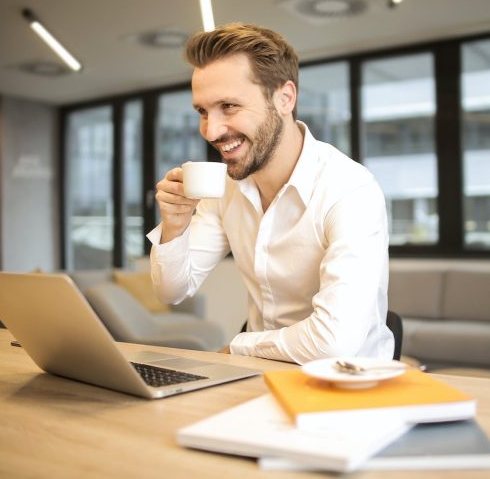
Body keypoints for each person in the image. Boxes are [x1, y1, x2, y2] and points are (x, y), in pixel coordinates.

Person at [147, 22, 392, 364]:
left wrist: (239, 346)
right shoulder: (227, 189)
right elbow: (171, 291)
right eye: (203, 112)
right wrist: (175, 225)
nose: (212, 131)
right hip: (260, 378)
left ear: (285, 98)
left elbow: (334, 342)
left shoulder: (350, 189)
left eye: (229, 106)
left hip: (346, 385)